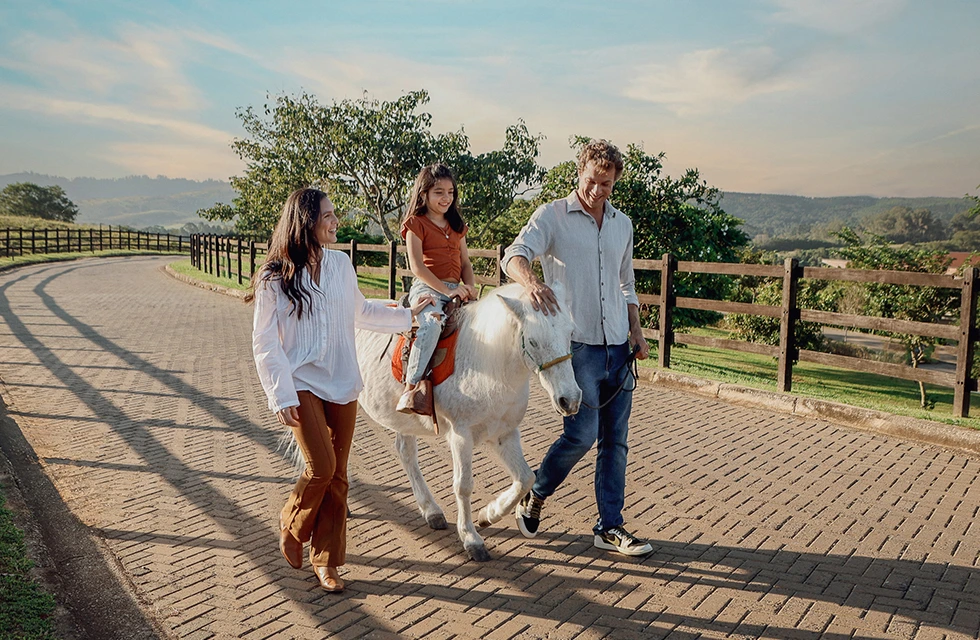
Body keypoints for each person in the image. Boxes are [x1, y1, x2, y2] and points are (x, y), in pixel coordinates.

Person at [250, 187, 432, 592]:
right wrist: (279, 394)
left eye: (334, 215)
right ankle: (293, 523)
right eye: (328, 216)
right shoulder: (274, 277)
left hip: (342, 381)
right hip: (300, 382)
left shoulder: (340, 264)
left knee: (339, 476)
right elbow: (264, 342)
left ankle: (327, 561)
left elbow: (362, 312)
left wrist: (407, 317)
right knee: (321, 467)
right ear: (306, 222)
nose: (335, 222)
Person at [503, 139, 654, 556]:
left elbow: (627, 284)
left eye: (606, 184)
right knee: (582, 435)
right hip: (578, 348)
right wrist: (532, 283)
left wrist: (636, 331)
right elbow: (514, 254)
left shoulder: (622, 225)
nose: (597, 190)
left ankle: (610, 526)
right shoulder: (552, 215)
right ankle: (537, 490)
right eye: (592, 180)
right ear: (579, 172)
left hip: (619, 348)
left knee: (616, 442)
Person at [395, 163, 477, 414]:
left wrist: (470, 286)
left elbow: (465, 262)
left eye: (450, 192)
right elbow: (417, 267)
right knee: (431, 325)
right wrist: (447, 290)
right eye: (439, 192)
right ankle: (411, 388)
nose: (446, 198)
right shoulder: (415, 224)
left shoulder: (456, 225)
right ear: (424, 194)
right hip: (428, 287)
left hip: (456, 288)